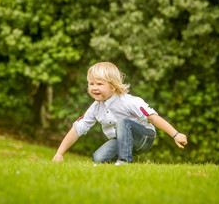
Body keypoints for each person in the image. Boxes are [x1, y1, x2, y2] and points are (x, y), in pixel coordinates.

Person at [52, 62, 187, 165]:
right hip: (121, 141)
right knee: (98, 158)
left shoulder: (128, 101)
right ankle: (120, 159)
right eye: (91, 84)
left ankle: (124, 161)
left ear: (113, 86)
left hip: (144, 137)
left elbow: (152, 118)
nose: (94, 88)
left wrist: (175, 134)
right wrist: (59, 153)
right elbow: (77, 129)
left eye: (99, 84)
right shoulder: (95, 107)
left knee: (123, 122)